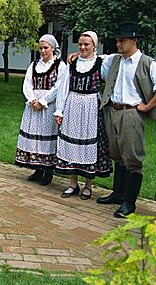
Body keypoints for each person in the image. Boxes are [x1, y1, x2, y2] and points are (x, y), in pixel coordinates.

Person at [96, 22, 156, 218]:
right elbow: (93, 57)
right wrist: (75, 55)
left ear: (134, 40)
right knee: (117, 154)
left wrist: (147, 107)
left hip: (132, 113)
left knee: (132, 158)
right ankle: (118, 194)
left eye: (122, 40)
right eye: (117, 40)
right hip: (113, 111)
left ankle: (129, 203)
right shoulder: (115, 60)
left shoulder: (147, 63)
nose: (118, 43)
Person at [54, 31, 112, 200]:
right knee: (71, 144)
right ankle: (73, 184)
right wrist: (59, 110)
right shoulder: (72, 64)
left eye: (86, 44)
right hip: (73, 105)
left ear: (94, 45)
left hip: (91, 107)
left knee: (89, 145)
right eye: (80, 44)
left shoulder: (101, 63)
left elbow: (118, 59)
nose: (82, 47)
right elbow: (63, 88)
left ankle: (88, 185)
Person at [15, 35, 66, 186]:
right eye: (41, 48)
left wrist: (43, 101)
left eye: (46, 48)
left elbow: (59, 88)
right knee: (35, 136)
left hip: (49, 106)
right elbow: (27, 83)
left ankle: (48, 170)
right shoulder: (34, 65)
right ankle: (37, 168)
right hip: (33, 104)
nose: (43, 51)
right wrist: (32, 100)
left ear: (53, 48)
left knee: (47, 135)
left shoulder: (60, 66)